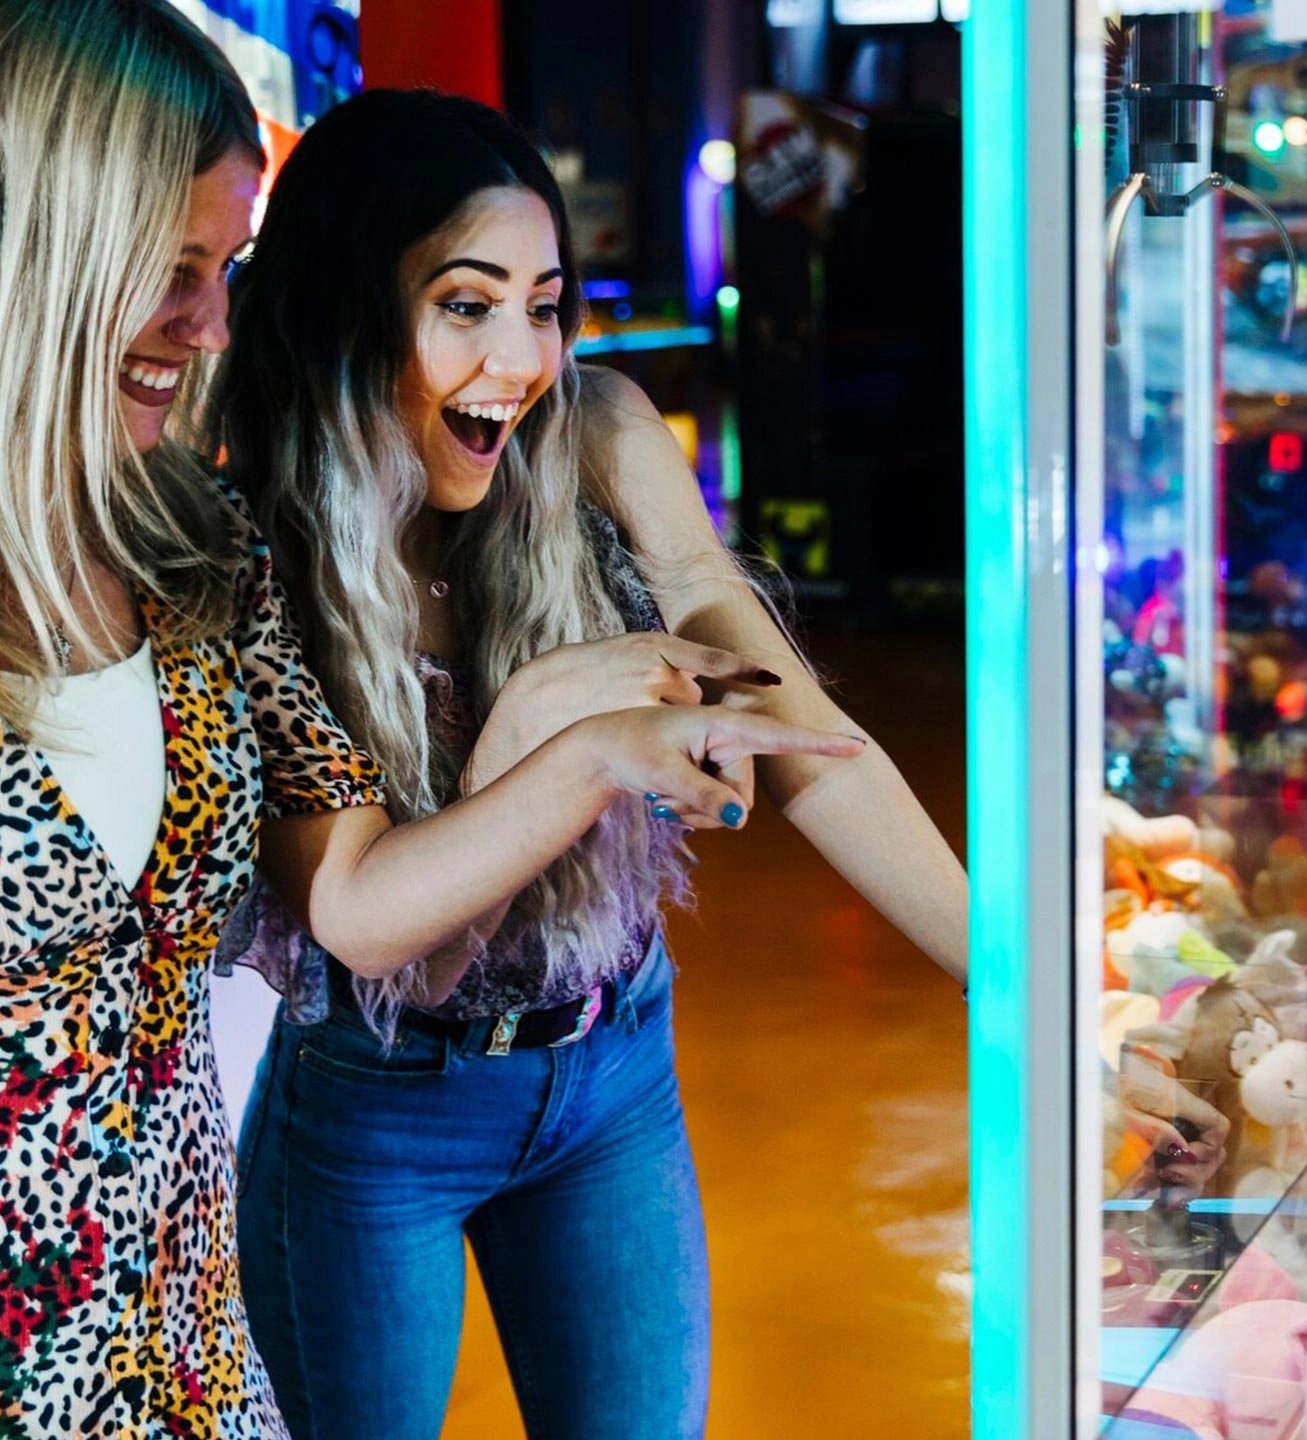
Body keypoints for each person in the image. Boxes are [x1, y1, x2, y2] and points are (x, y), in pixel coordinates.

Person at [0, 6, 856, 1436]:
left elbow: (362, 897)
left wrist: (596, 754)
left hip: (187, 1385)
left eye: (225, 269)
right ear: (11, 251)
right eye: (168, 272)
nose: (209, 325)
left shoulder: (194, 550)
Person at [210, 89, 970, 1439]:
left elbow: (799, 738)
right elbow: (390, 940)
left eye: (544, 305)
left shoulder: (598, 434)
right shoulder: (248, 542)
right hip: (375, 1116)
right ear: (348, 301)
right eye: (464, 303)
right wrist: (552, 728)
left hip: (609, 1063)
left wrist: (1024, 989)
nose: (519, 359)